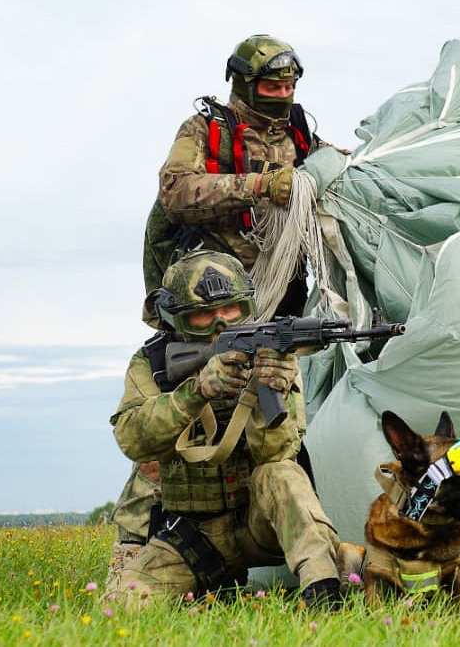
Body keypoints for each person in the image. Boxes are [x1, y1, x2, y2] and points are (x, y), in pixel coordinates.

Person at [105, 249, 342, 609]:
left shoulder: (274, 353)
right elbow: (132, 437)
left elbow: (275, 454)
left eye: (232, 310)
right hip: (193, 534)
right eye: (203, 315)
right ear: (178, 320)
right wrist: (195, 391)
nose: (220, 323)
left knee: (281, 474)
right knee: (122, 606)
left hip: (260, 525)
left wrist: (273, 388)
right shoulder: (153, 363)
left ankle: (324, 592)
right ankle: (210, 590)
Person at [143, 34, 338, 317]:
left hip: (285, 297)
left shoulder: (301, 137)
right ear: (244, 84)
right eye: (272, 87)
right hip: (214, 300)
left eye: (288, 87)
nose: (283, 95)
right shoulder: (206, 130)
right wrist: (260, 185)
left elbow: (341, 173)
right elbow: (176, 192)